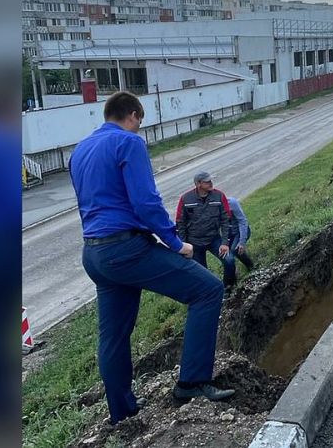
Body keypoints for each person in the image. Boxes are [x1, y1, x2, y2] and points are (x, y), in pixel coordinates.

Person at [69, 92, 234, 426]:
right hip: (126, 250)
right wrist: (176, 243)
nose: (138, 129)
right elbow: (145, 202)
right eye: (139, 122)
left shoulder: (79, 151)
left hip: (95, 254)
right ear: (132, 115)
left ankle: (122, 411)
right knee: (208, 290)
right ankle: (192, 382)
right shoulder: (128, 143)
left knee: (113, 336)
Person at [176, 172, 238, 290]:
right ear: (198, 184)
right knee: (203, 274)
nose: (211, 183)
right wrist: (184, 245)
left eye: (210, 181)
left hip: (214, 239)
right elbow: (180, 223)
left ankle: (228, 287)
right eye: (207, 181)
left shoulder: (219, 196)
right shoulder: (185, 199)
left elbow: (226, 220)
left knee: (229, 261)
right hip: (194, 243)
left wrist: (225, 242)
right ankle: (213, 293)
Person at [226, 196, 256, 277]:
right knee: (226, 256)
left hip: (240, 231)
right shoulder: (211, 208)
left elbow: (242, 221)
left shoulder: (231, 202)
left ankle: (251, 267)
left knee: (236, 249)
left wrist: (242, 241)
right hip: (229, 234)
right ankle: (233, 277)